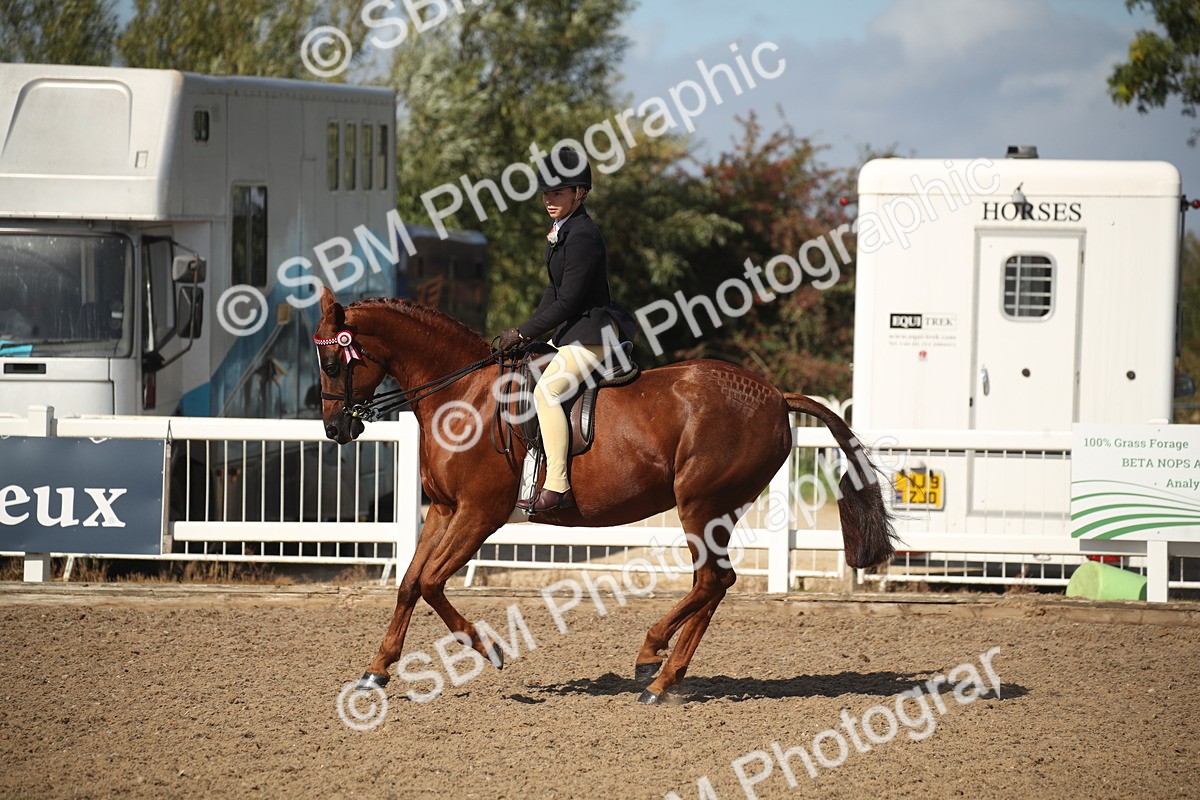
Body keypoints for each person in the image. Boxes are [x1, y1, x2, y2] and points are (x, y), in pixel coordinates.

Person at [498, 147, 633, 513]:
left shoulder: (583, 234)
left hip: (592, 334)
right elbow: (553, 292)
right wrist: (526, 336)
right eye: (546, 193)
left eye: (557, 193)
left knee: (548, 392)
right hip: (573, 332)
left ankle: (557, 485)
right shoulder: (563, 230)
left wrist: (524, 331)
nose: (549, 200)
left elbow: (569, 302)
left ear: (580, 193)